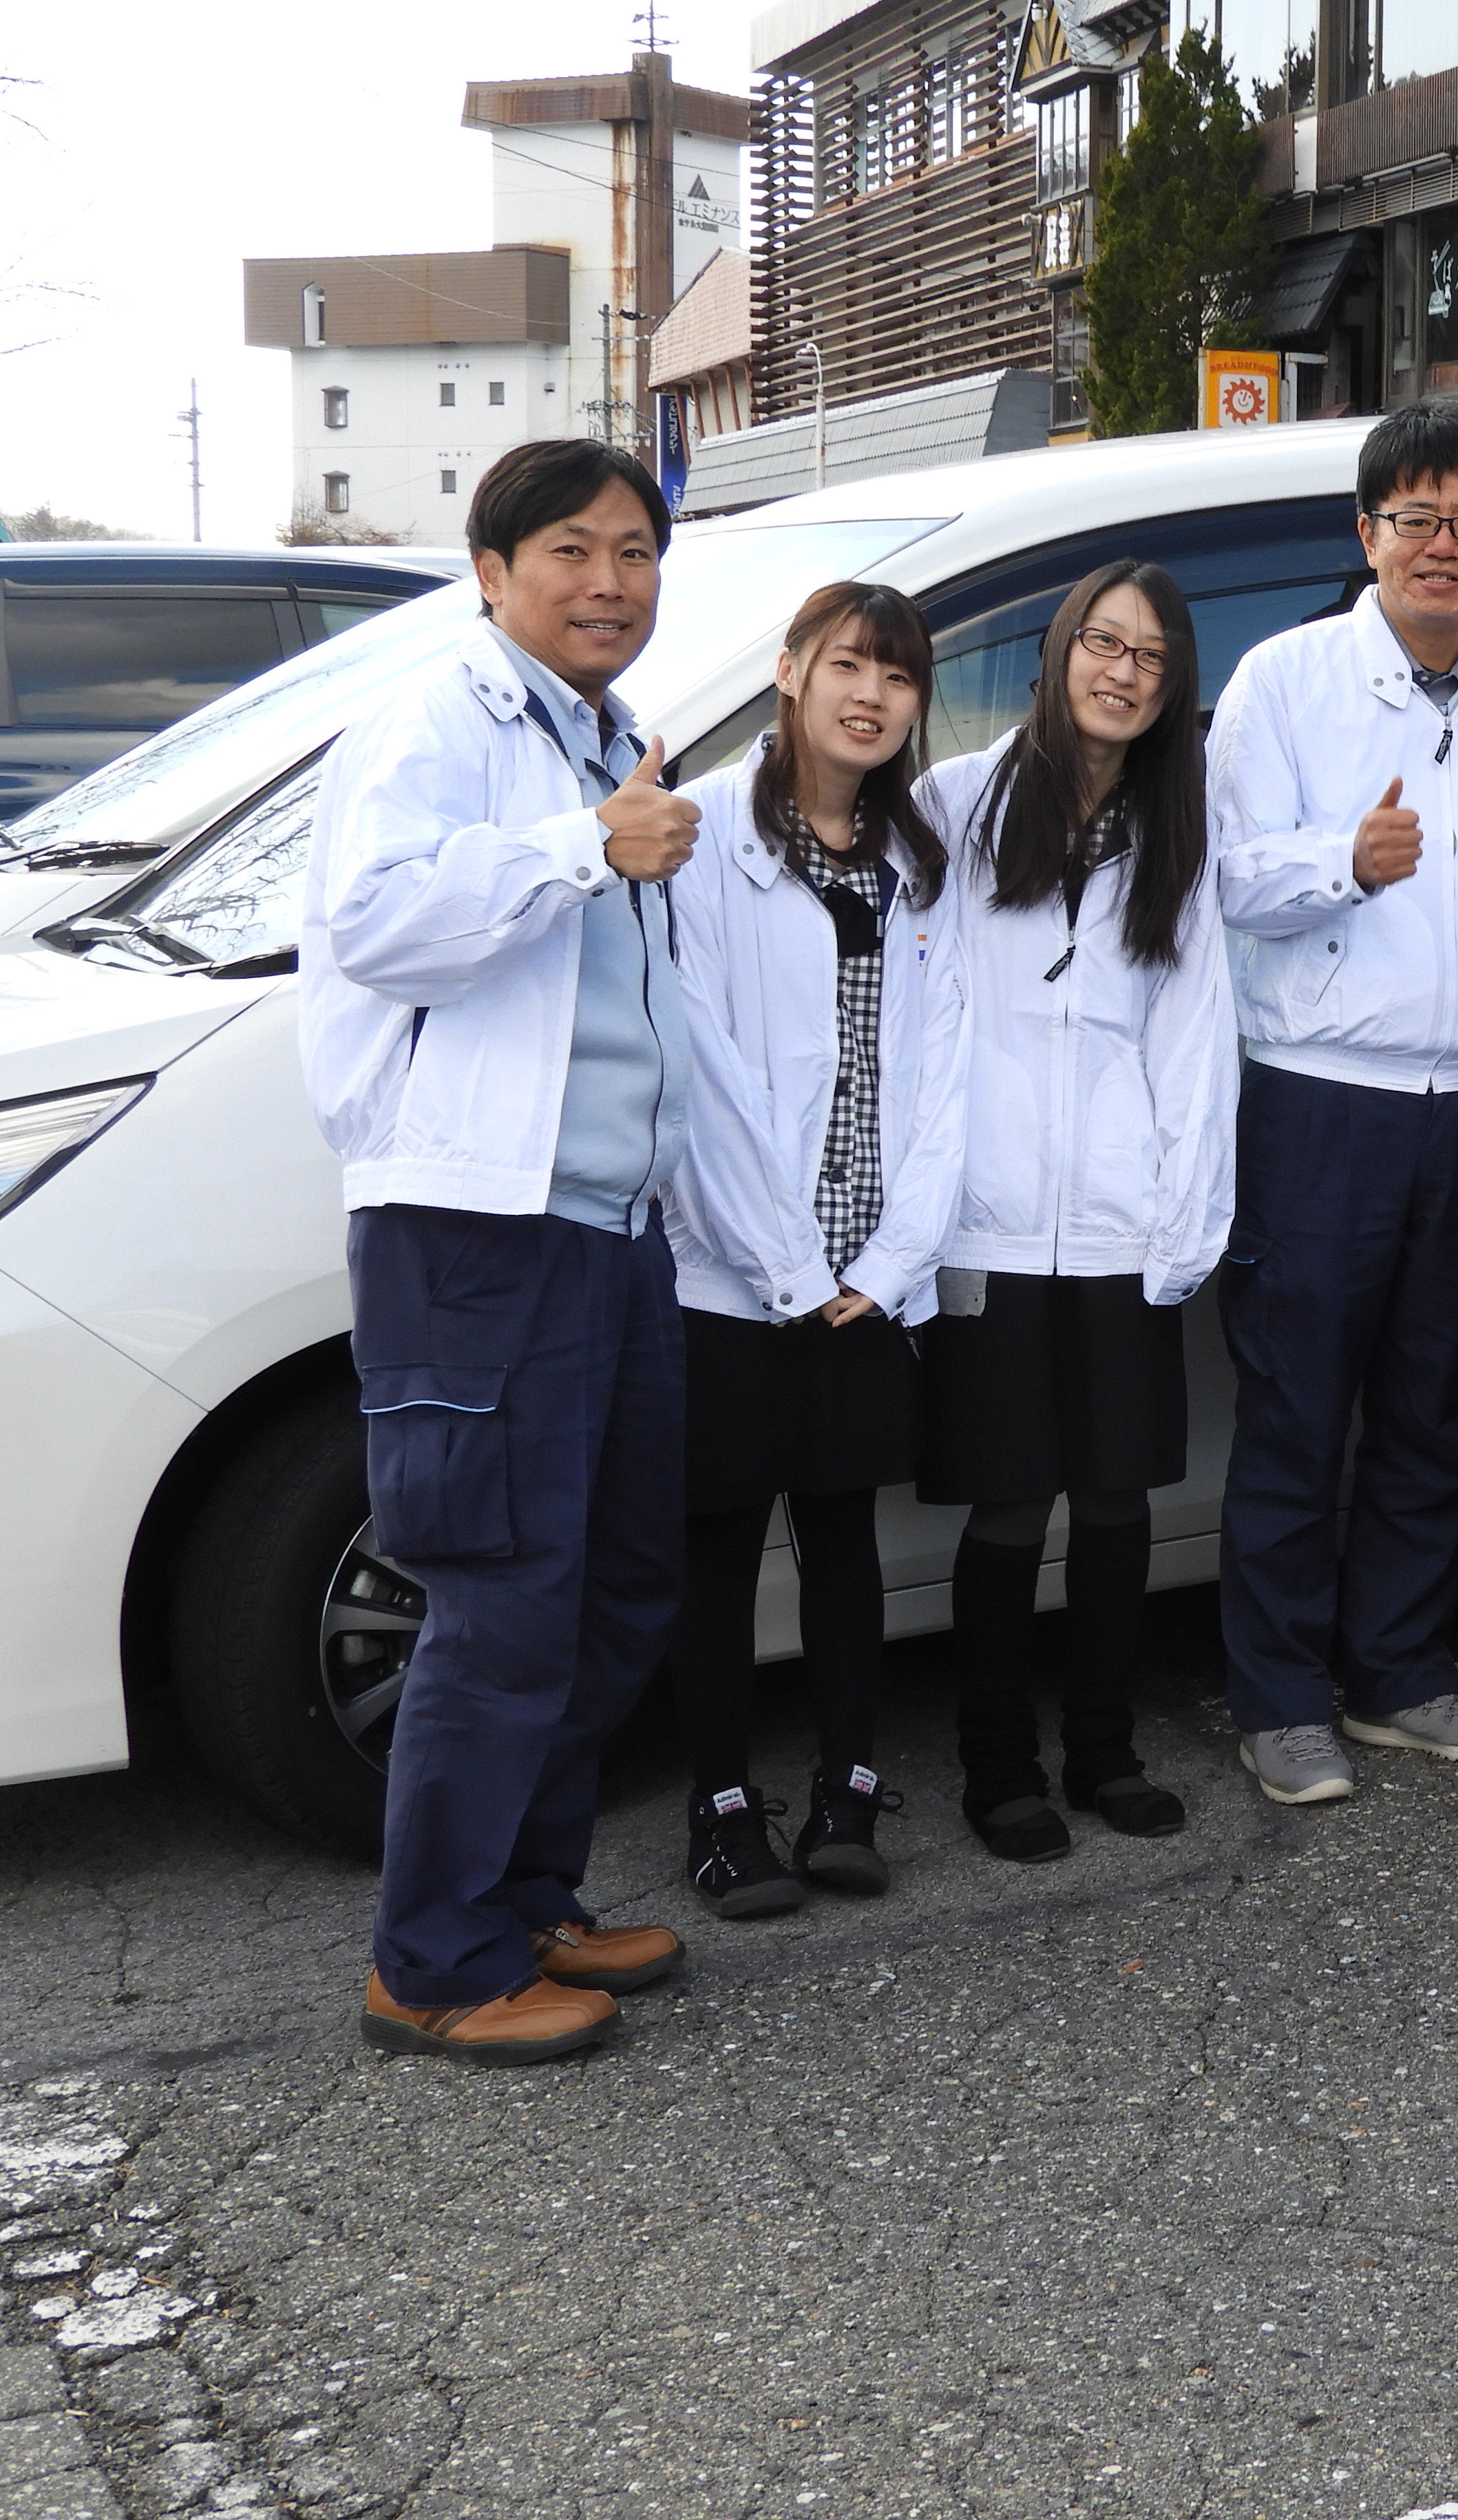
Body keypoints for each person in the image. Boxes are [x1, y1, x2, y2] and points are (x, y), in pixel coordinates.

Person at [302, 437, 697, 2066]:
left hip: (608, 1223)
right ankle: (435, 1963)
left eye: (633, 553)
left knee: (612, 1589)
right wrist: (579, 847)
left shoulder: (603, 730)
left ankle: (530, 1899)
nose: (608, 581)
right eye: (571, 553)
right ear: (491, 571)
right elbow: (378, 918)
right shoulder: (436, 719)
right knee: (499, 1598)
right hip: (478, 1225)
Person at [1207, 403, 1458, 1806]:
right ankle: (1281, 1696)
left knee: (1432, 1407)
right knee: (1298, 1409)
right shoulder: (1284, 682)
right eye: (1414, 516)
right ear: (1366, 535)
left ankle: (1401, 1673)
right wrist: (1343, 864)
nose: (1441, 544)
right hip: (1319, 1103)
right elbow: (1228, 880)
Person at [913, 565, 1236, 1860]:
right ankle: (998, 1765)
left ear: (1171, 691)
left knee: (1113, 1504)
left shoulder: (1173, 832)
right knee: (1004, 1510)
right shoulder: (954, 802)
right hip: (982, 1221)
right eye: (1102, 643)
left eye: (1150, 658)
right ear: (1058, 654)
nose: (1122, 671)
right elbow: (920, 1016)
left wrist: (1183, 1217)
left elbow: (1196, 1030)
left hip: (1120, 1217)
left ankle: (1102, 1747)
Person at [662, 583, 966, 1916]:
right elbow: (699, 1071)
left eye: (899, 678)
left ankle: (849, 1786)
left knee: (845, 1538)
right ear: (788, 671)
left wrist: (887, 1269)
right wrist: (787, 1271)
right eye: (848, 663)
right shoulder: (712, 837)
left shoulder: (917, 857)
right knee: (719, 1547)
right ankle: (720, 1804)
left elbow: (945, 1075)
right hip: (734, 1274)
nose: (873, 696)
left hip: (865, 1279)